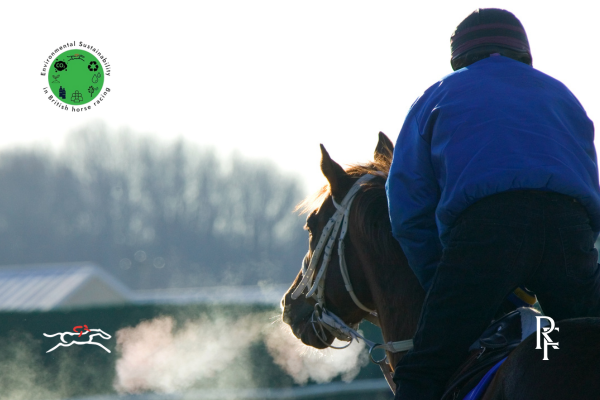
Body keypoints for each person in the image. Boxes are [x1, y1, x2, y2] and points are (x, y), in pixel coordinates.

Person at [386, 8, 600, 400]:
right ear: (524, 53)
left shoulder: (438, 94)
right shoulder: (561, 94)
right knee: (584, 348)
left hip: (487, 232)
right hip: (570, 231)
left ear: (459, 58)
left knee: (424, 369)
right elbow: (590, 185)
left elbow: (408, 212)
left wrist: (442, 280)